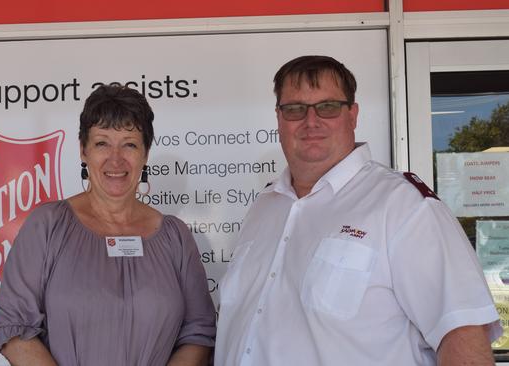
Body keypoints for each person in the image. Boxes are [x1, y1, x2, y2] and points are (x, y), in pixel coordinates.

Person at [214, 55, 501, 365]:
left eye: (328, 107)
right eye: (295, 109)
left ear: (352, 115)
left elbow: (462, 337)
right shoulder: (264, 207)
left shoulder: (403, 206)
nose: (311, 121)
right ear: (279, 118)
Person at [0, 84, 216, 366]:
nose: (116, 159)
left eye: (129, 144)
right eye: (102, 143)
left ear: (145, 155)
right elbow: (13, 326)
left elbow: (199, 332)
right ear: (83, 151)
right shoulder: (47, 225)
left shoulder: (176, 237)